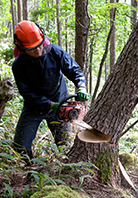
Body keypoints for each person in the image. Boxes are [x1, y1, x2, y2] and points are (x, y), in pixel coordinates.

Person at [11, 20, 89, 162]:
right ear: (22, 48)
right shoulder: (19, 65)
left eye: (39, 45)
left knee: (64, 144)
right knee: (19, 146)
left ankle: (61, 171)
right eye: (32, 48)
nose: (38, 50)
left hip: (60, 101)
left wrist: (81, 86)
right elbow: (27, 93)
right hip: (34, 106)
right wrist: (49, 104)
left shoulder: (54, 51)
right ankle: (29, 169)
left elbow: (74, 70)